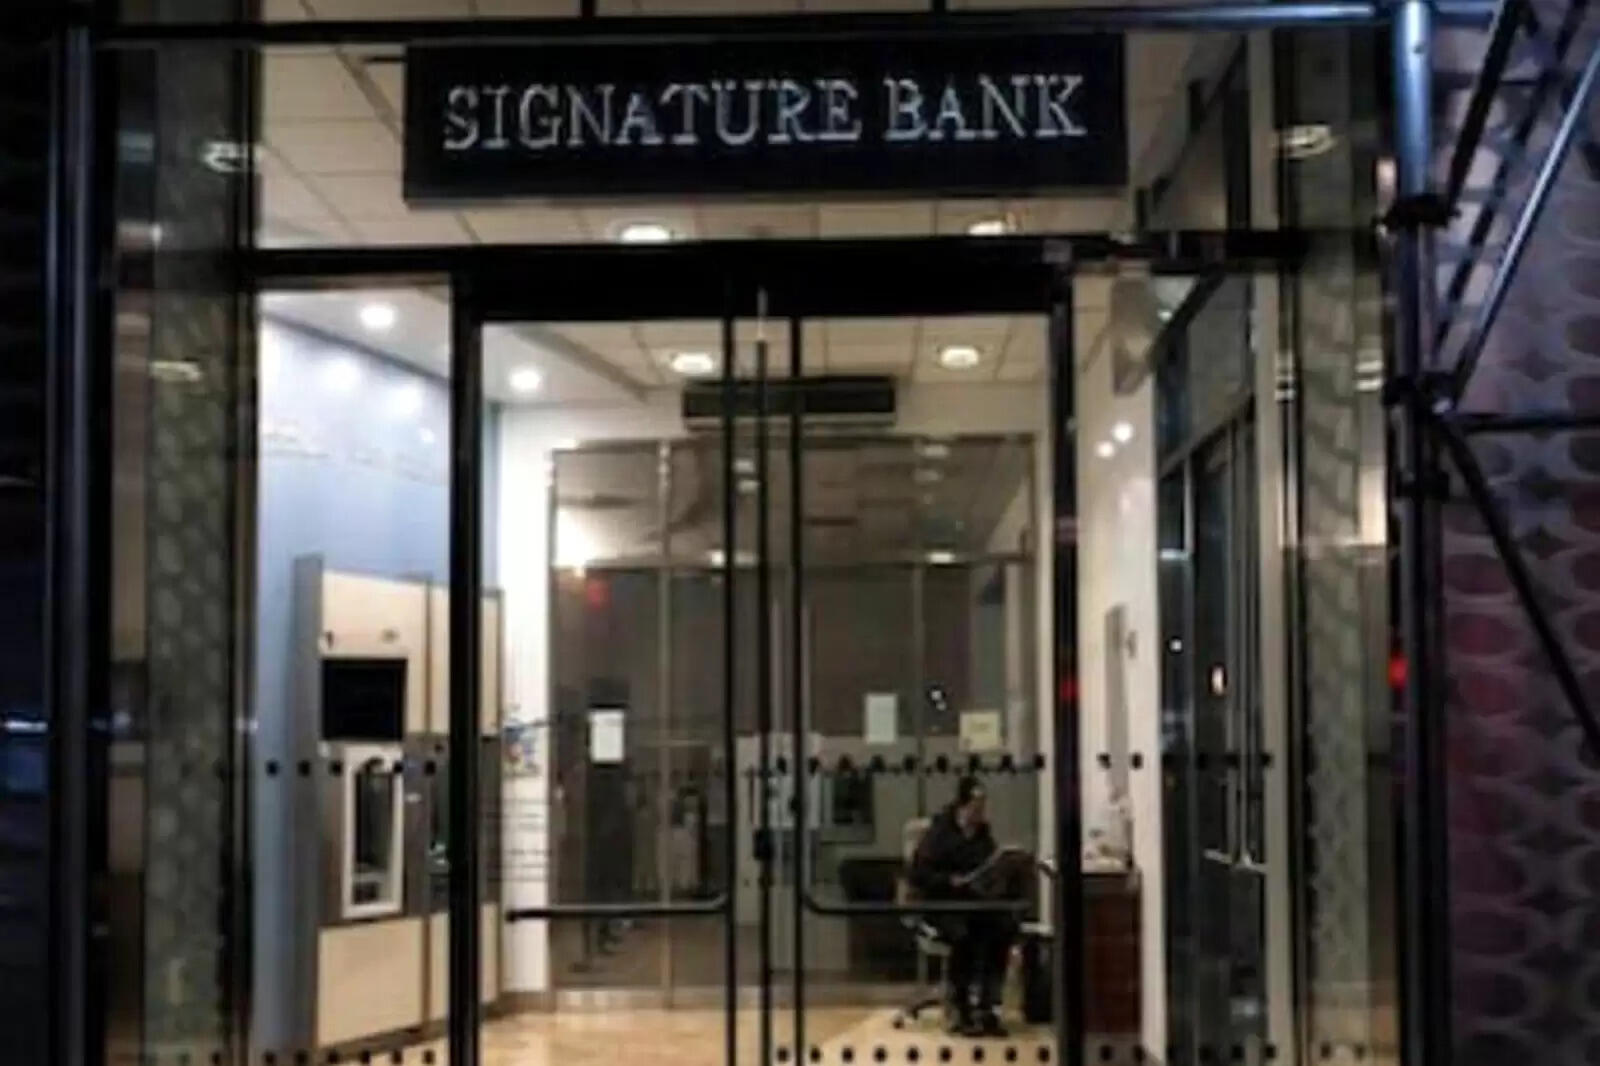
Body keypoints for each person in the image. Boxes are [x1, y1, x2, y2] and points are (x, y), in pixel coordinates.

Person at [909, 776, 1023, 1037]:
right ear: (962, 805)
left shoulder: (983, 835)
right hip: (943, 903)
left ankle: (987, 1006)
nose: (980, 811)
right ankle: (960, 1007)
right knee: (964, 935)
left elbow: (989, 865)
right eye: (976, 805)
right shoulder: (939, 834)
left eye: (983, 805)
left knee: (1003, 929)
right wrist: (950, 880)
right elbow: (919, 874)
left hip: (975, 902)